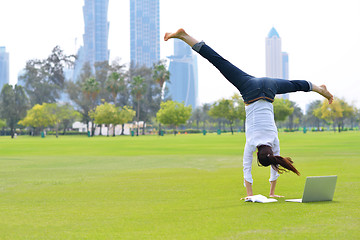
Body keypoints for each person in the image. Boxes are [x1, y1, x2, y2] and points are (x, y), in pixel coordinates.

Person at [164, 28, 333, 198]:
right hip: (250, 89)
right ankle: (184, 37)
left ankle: (320, 89)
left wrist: (270, 193)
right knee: (219, 62)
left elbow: (273, 167)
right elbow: (247, 169)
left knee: (295, 85)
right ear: (257, 156)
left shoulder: (274, 140)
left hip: (268, 87)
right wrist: (252, 194)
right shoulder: (251, 143)